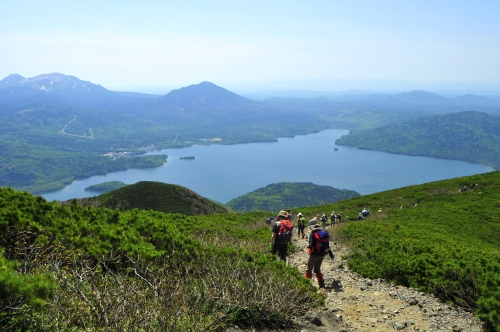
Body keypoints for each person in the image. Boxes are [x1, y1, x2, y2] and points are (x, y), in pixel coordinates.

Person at [305, 219, 333, 288]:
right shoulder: (323, 231)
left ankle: (306, 285)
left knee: (309, 269)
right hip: (322, 254)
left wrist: (310, 249)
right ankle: (322, 285)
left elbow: (310, 244)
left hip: (314, 254)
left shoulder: (312, 233)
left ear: (312, 227)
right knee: (317, 269)